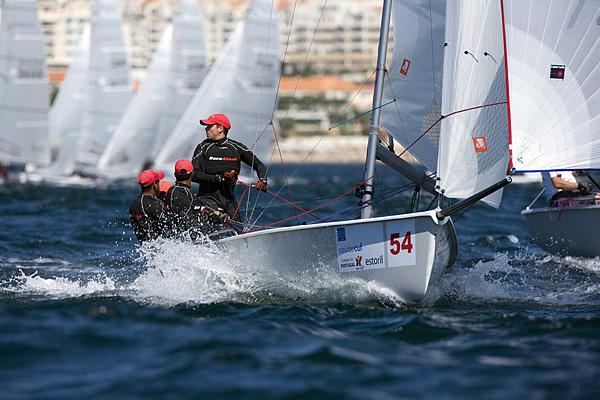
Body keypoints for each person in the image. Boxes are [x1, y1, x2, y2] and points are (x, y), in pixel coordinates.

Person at [191, 113, 268, 220]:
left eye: (209, 126)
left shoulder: (236, 147)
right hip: (207, 199)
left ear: (220, 128)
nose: (206, 129)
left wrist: (263, 180)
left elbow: (258, 165)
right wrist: (218, 178)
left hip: (229, 201)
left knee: (237, 230)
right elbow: (193, 174)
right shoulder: (203, 147)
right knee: (220, 224)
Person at [164, 159, 228, 238]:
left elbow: (199, 211)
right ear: (192, 174)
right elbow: (188, 221)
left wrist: (215, 216)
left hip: (181, 238)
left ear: (175, 174)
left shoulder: (177, 191)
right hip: (187, 241)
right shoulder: (179, 193)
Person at [129, 169, 166, 242]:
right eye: (158, 181)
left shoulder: (134, 204)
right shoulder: (157, 204)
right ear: (155, 184)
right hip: (160, 247)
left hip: (145, 247)